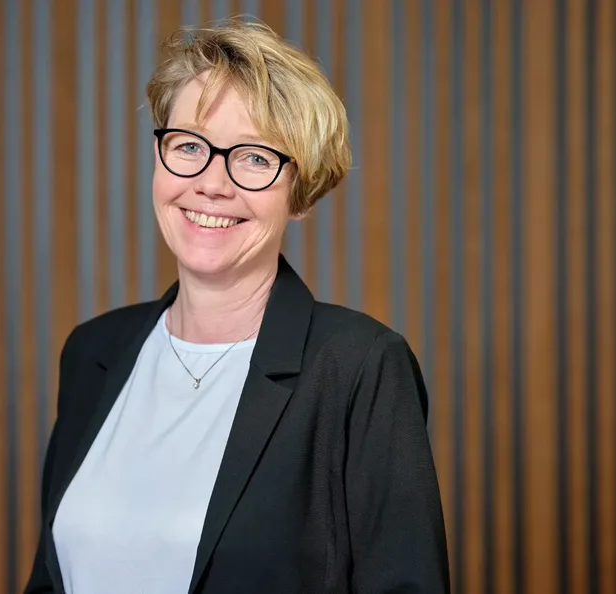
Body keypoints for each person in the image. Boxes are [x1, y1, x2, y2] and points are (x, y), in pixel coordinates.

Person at [24, 18, 449, 594]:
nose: (212, 183)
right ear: (159, 157)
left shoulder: (358, 366)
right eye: (189, 146)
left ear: (300, 191)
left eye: (253, 157)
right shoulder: (93, 352)